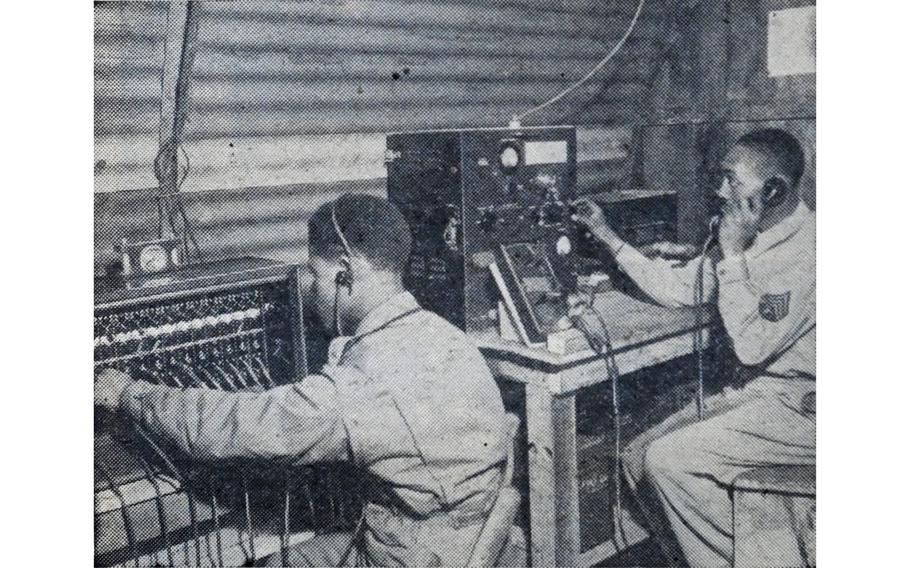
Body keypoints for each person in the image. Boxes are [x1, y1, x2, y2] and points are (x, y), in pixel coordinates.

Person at [95, 193, 520, 567]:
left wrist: (129, 393)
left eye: (315, 275)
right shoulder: (444, 334)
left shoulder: (360, 385)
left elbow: (235, 427)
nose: (311, 289)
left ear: (345, 271)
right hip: (469, 539)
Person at [573, 129, 815, 567]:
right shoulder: (752, 237)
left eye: (731, 181)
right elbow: (680, 288)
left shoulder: (812, 250)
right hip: (756, 398)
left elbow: (751, 347)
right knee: (637, 455)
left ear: (773, 190)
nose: (720, 191)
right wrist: (609, 238)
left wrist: (734, 255)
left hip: (803, 409)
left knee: (668, 461)